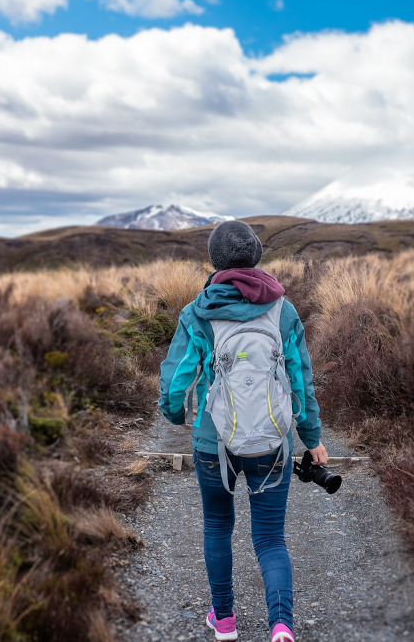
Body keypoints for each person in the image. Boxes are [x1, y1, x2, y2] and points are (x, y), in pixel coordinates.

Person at [158, 220, 327, 642]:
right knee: (271, 538)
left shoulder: (198, 311)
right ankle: (281, 625)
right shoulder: (283, 310)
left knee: (218, 526)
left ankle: (225, 621)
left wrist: (175, 413)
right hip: (272, 441)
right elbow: (300, 380)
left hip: (213, 443)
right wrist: (312, 437)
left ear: (215, 261)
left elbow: (176, 380)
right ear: (256, 257)